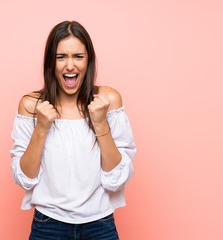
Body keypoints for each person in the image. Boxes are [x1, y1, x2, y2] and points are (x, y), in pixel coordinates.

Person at [10, 20, 136, 240]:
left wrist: (101, 124)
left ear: (89, 60)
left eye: (78, 56)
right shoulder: (31, 106)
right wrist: (41, 127)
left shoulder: (108, 100)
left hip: (100, 225)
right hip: (47, 225)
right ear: (51, 62)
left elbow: (116, 178)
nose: (70, 66)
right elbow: (25, 178)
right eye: (61, 57)